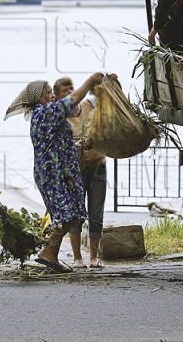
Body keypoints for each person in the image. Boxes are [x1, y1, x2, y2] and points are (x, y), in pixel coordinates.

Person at [4, 72, 105, 273]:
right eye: (49, 92)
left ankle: (51, 255)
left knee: (74, 214)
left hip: (62, 172)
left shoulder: (48, 112)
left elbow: (75, 106)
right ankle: (48, 253)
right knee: (69, 214)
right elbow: (72, 100)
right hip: (53, 173)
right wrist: (90, 81)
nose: (51, 95)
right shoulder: (43, 113)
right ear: (39, 97)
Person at [53, 77, 109, 269]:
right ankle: (77, 258)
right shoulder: (59, 116)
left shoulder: (89, 105)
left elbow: (108, 100)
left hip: (98, 165)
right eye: (64, 91)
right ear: (57, 97)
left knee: (96, 214)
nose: (69, 93)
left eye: (71, 89)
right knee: (76, 215)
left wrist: (111, 82)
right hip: (74, 170)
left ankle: (93, 258)